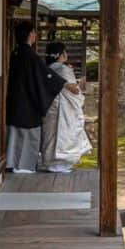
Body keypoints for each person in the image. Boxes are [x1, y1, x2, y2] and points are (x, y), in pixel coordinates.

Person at [4, 21, 76, 173]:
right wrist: (66, 85)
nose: (36, 35)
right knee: (27, 133)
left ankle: (12, 162)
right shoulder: (30, 56)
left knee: (15, 134)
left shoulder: (16, 53)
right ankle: (23, 165)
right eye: (34, 32)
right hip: (27, 100)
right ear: (30, 35)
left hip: (16, 98)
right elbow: (46, 75)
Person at [39, 42, 93, 172]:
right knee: (63, 135)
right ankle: (60, 164)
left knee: (50, 134)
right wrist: (80, 84)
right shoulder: (64, 69)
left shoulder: (48, 68)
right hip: (64, 108)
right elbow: (74, 91)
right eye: (65, 51)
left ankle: (49, 162)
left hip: (49, 106)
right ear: (61, 54)